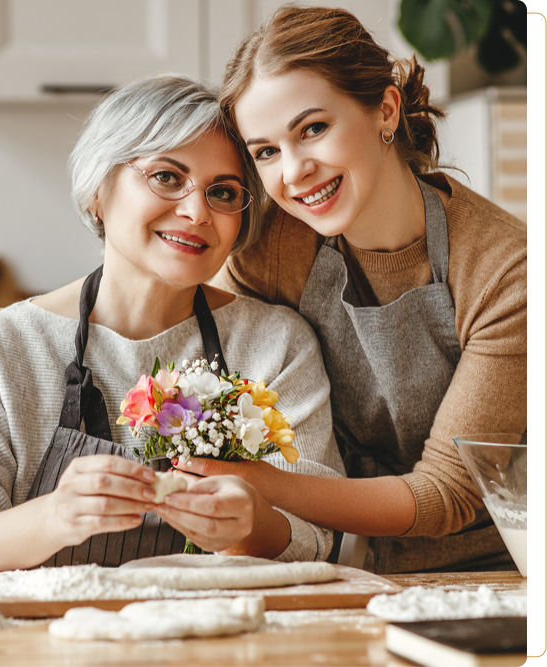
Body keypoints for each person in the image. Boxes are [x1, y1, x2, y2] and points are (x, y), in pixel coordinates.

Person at [172, 5, 527, 574]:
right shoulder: (280, 248)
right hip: (344, 565)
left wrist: (257, 480)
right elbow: (177, 312)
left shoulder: (505, 269)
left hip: (495, 571)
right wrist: (41, 322)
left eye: (313, 129)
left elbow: (447, 493)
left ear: (385, 110)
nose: (293, 172)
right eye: (265, 151)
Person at [0, 74, 346, 573]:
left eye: (223, 192)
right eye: (167, 176)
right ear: (99, 190)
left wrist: (253, 526)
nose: (196, 211)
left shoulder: (276, 344)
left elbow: (320, 536)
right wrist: (55, 517)